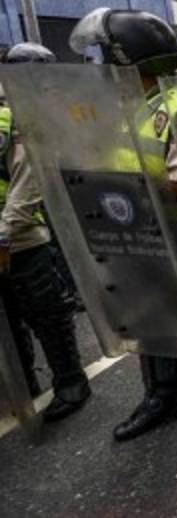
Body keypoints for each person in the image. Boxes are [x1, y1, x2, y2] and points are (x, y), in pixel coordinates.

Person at [70, 8, 177, 447]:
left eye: (106, 56)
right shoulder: (123, 108)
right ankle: (162, 396)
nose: (100, 67)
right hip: (134, 229)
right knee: (148, 312)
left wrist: (123, 188)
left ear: (128, 60)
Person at [0, 43, 91, 422]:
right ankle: (21, 386)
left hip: (22, 237)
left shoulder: (24, 117)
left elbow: (29, 180)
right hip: (16, 230)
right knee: (8, 320)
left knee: (47, 314)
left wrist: (5, 229)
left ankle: (70, 381)